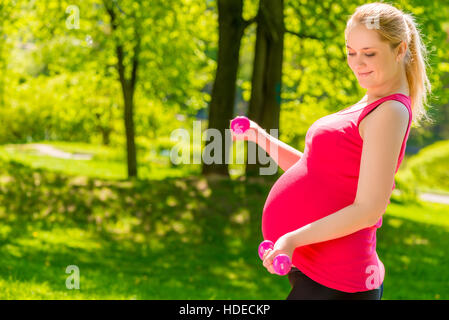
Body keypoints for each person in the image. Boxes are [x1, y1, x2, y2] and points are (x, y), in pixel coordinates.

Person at [231, 2, 431, 300]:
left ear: (400, 50)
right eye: (351, 52)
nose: (357, 63)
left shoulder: (390, 111)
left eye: (369, 53)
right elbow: (317, 171)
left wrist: (291, 238)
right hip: (319, 271)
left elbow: (368, 210)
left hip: (338, 281)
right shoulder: (369, 103)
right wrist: (261, 138)